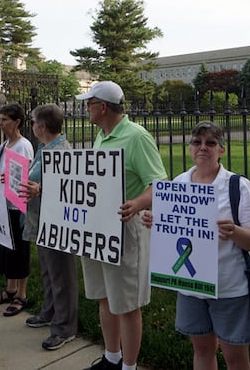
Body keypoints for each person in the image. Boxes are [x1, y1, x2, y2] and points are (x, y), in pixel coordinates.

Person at [142, 121, 250, 370]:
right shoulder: (180, 182)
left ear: (221, 150)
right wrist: (156, 222)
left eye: (210, 143)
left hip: (228, 288)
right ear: (190, 148)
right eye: (197, 142)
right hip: (190, 287)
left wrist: (234, 231)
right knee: (202, 350)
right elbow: (173, 232)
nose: (203, 148)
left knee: (234, 357)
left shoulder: (236, 187)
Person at [76, 81, 168, 370]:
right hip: (99, 229)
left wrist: (137, 204)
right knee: (104, 296)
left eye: (89, 103)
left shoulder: (136, 137)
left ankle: (129, 365)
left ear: (102, 107)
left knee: (127, 304)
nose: (85, 108)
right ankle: (112, 357)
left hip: (126, 231)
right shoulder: (101, 137)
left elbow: (159, 184)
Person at [19, 104, 79, 351]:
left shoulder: (62, 152)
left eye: (32, 122)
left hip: (58, 223)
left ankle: (65, 327)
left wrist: (40, 189)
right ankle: (49, 312)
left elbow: (72, 189)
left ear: (42, 126)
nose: (30, 126)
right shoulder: (44, 149)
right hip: (41, 221)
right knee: (48, 270)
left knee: (61, 273)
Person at [0, 103, 35, 316]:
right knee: (7, 248)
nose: (1, 124)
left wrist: (11, 179)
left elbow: (25, 176)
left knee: (19, 249)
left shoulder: (23, 146)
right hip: (3, 203)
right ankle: (10, 287)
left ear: (17, 122)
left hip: (17, 206)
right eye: (0, 119)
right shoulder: (5, 144)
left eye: (5, 119)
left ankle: (21, 294)